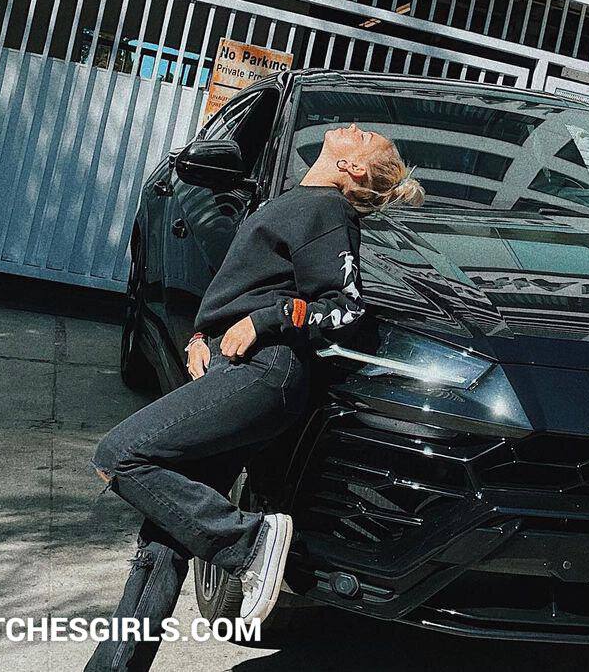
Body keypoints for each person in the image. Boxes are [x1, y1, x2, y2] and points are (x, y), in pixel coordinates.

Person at [85, 122, 424, 671]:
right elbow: (242, 287)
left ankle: (250, 543)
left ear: (353, 168)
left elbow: (345, 308)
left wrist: (267, 321)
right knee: (164, 538)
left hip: (265, 373)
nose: (355, 128)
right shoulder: (294, 201)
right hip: (233, 369)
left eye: (365, 138)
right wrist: (203, 334)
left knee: (120, 454)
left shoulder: (328, 212)